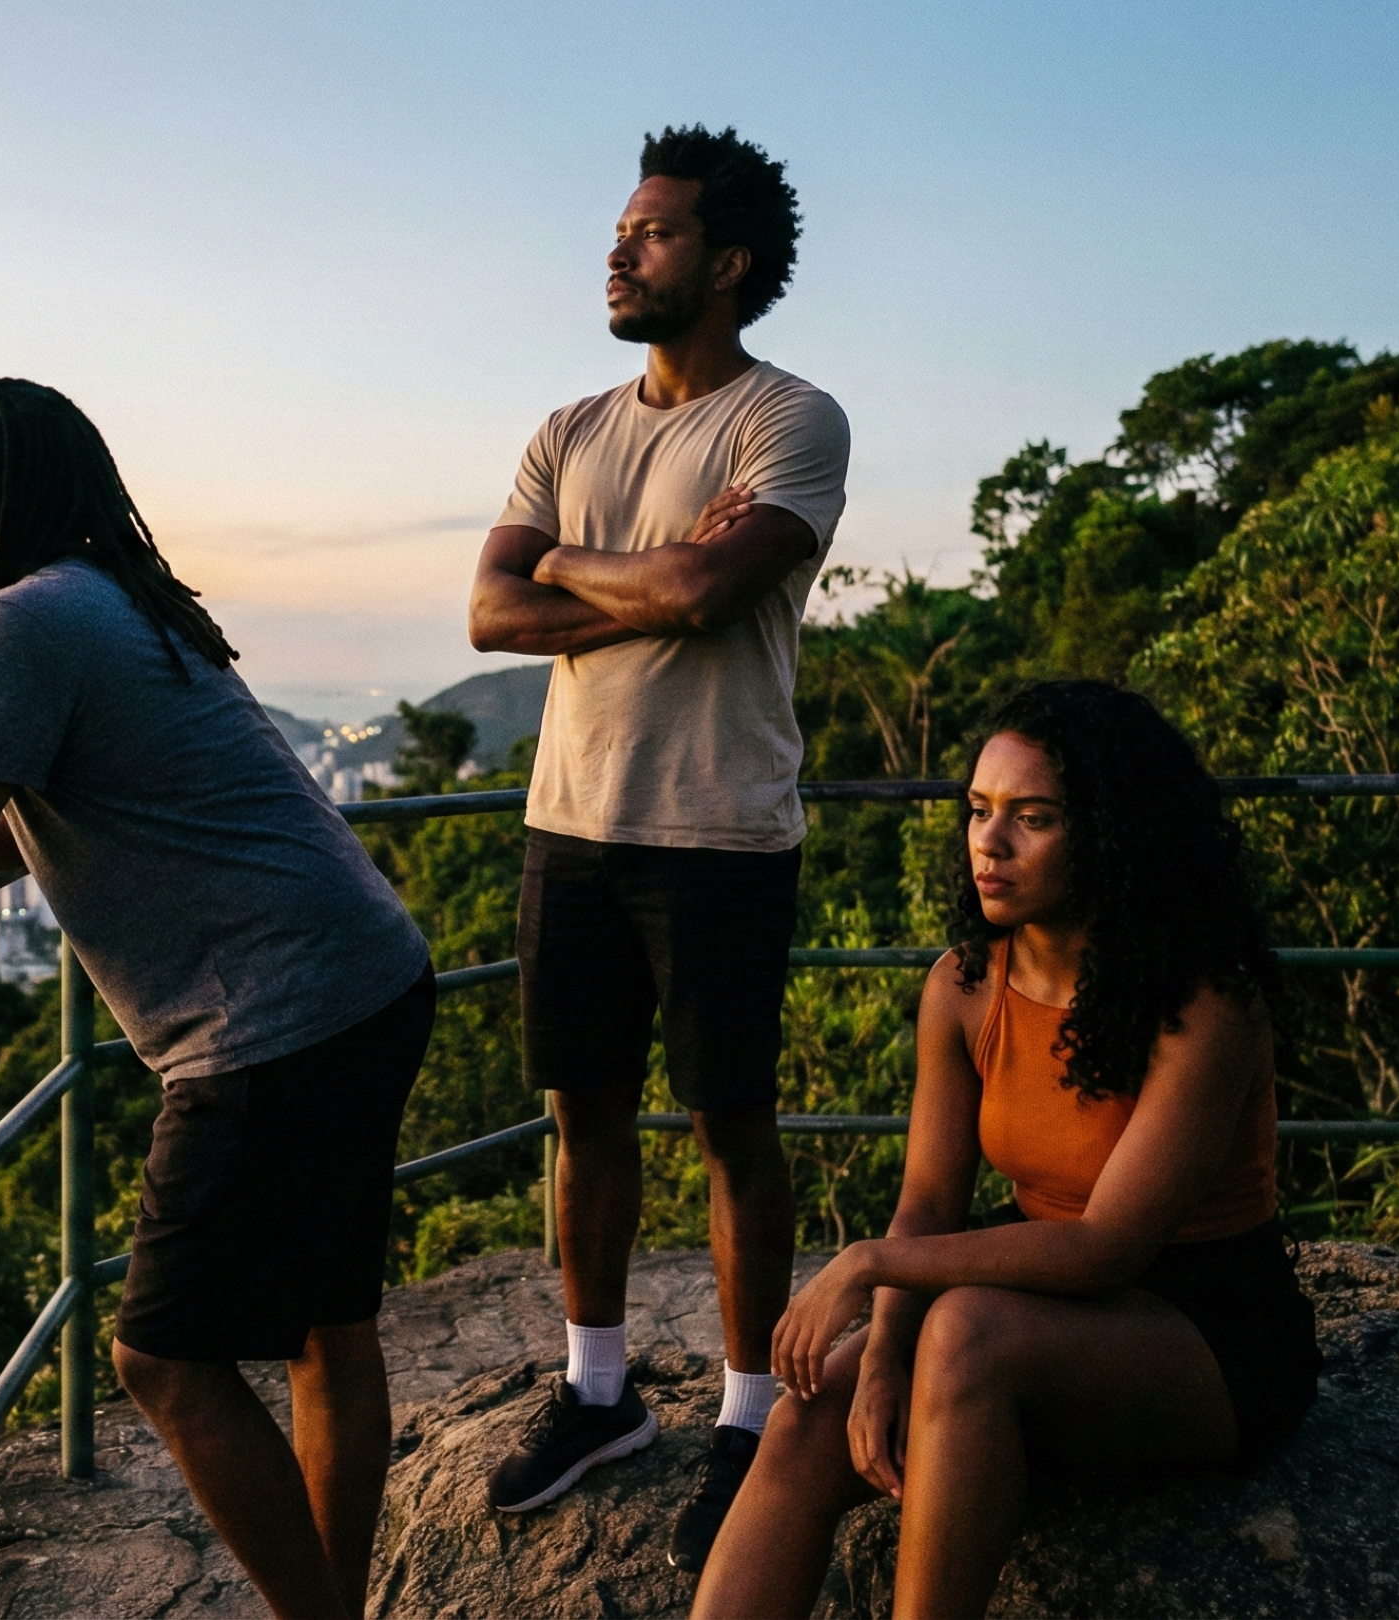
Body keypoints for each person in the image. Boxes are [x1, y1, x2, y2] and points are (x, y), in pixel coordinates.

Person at [0, 379, 434, 1620]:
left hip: (270, 1019)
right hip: (367, 974)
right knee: (327, 1325)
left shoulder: (20, 622)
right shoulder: (105, 598)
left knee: (159, 1358)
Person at [690, 680, 1323, 1619]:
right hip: (1029, 1288)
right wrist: (882, 1356)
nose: (990, 842)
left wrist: (868, 1267)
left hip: (1206, 1328)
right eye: (980, 811)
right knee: (817, 1403)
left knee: (966, 1335)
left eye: (1033, 818)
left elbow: (1109, 1245)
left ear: (1110, 834)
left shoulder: (1203, 1008)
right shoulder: (966, 985)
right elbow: (931, 1204)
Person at [464, 123, 849, 1570]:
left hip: (720, 834)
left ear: (728, 264)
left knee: (732, 1126)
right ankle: (601, 1391)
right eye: (621, 230)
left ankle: (751, 1417)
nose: (620, 250)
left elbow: (706, 589)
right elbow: (492, 618)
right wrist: (617, 573)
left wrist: (564, 560)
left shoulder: (789, 421)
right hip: (569, 827)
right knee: (583, 1117)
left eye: (655, 233)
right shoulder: (569, 430)